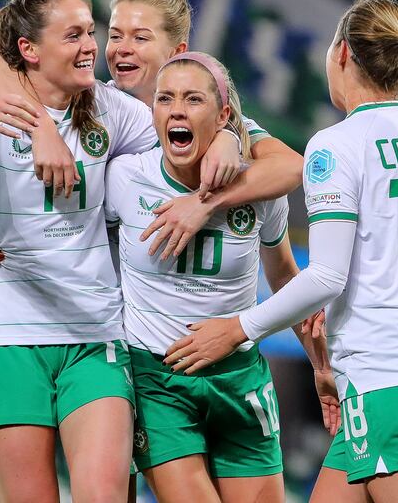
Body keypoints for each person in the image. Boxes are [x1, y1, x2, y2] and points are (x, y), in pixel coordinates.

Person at [164, 0, 398, 503]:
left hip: (392, 379)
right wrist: (389, 276)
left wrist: (236, 330)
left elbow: (326, 277)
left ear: (341, 53)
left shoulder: (337, 145)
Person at [0, 0, 164, 502]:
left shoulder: (114, 111)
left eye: (89, 32)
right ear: (29, 50)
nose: (90, 47)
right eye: (73, 36)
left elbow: (178, 146)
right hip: (8, 333)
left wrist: (226, 144)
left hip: (94, 333)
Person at [0, 0, 303, 279]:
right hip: (105, 315)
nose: (122, 50)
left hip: (177, 310)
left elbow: (291, 167)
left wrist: (216, 169)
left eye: (140, 38)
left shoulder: (212, 122)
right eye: (114, 36)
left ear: (177, 52)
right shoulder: (91, 106)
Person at [104, 50, 327, 503]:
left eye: (193, 99)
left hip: (241, 379)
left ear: (223, 115)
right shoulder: (125, 178)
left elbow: (286, 276)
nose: (177, 110)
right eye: (165, 99)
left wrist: (322, 365)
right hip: (159, 380)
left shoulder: (261, 190)